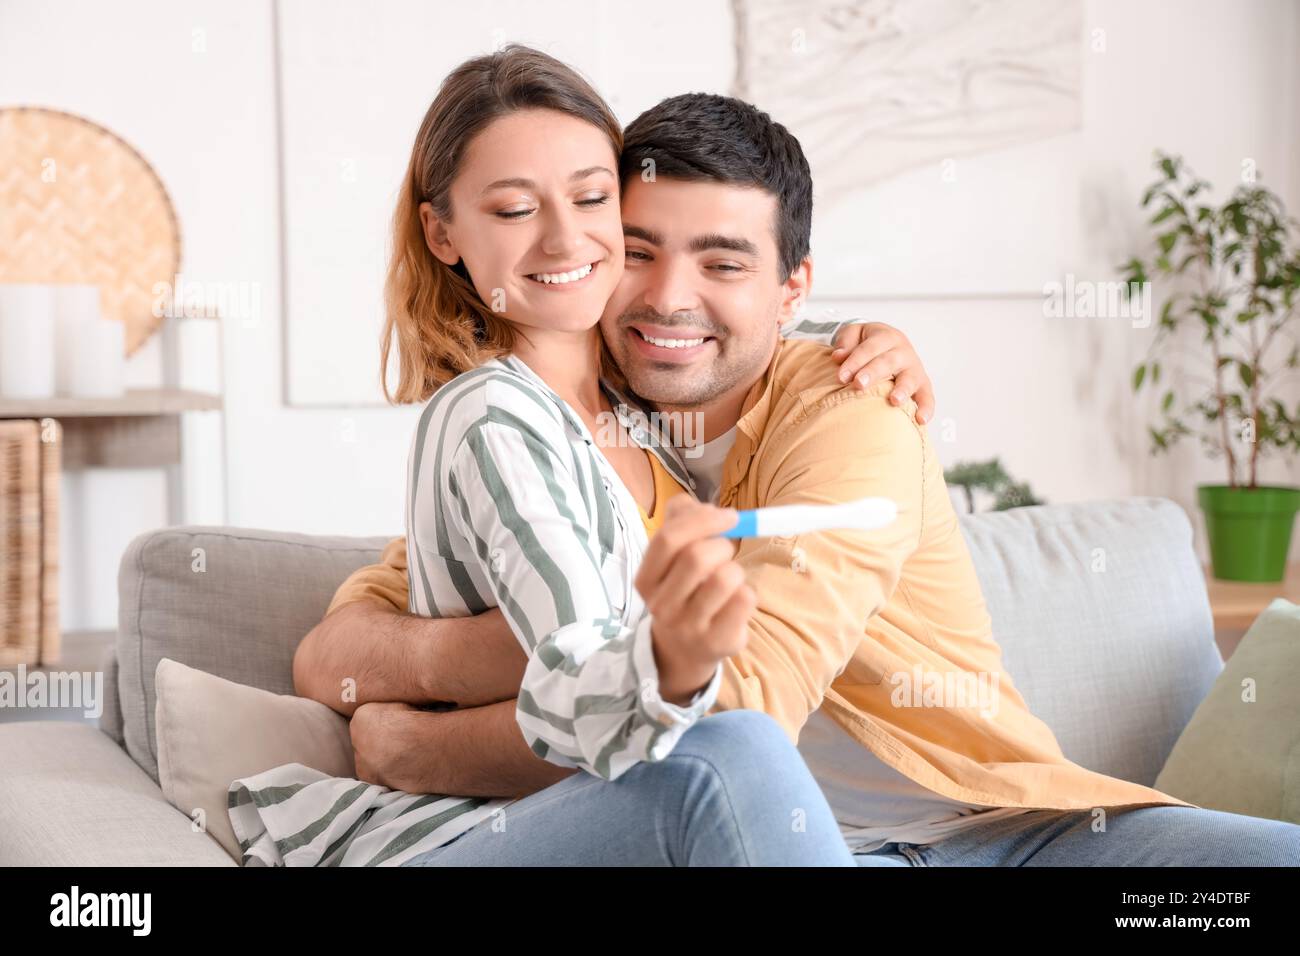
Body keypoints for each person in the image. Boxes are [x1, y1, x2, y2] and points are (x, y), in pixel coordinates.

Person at [297, 53, 1300, 868]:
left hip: (999, 833)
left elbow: (735, 713)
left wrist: (428, 743)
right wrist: (450, 660)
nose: (668, 298)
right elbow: (339, 645)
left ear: (791, 290)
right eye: (639, 249)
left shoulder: (853, 403)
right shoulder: (583, 414)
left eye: (723, 261)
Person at [230, 45, 930, 867]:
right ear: (442, 232)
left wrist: (878, 341)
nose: (566, 240)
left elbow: (743, 334)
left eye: (592, 198)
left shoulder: (637, 408)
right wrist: (665, 660)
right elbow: (568, 668)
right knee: (731, 756)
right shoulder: (496, 417)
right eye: (514, 210)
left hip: (619, 822)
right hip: (479, 833)